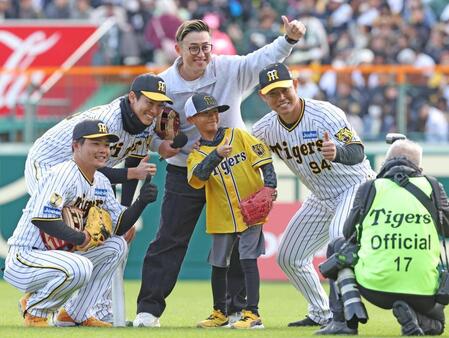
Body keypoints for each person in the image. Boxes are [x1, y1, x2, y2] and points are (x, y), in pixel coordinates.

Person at [133, 17, 306, 327]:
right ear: (177, 49)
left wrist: (288, 40)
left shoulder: (226, 68)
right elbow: (150, 127)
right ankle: (148, 310)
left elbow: (260, 60)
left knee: (239, 241)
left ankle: (238, 310)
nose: (201, 54)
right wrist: (161, 147)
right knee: (170, 239)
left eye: (206, 47)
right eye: (194, 48)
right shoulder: (165, 85)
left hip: (233, 169)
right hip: (185, 169)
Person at [24, 73, 171, 322]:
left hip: (87, 173)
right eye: (150, 102)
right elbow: (96, 165)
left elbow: (133, 161)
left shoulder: (145, 126)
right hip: (49, 163)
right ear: (132, 97)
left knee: (108, 236)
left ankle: (82, 311)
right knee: (68, 228)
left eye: (160, 105)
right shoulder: (108, 120)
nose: (155, 110)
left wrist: (123, 215)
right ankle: (37, 296)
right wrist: (132, 173)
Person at [251, 63, 376, 328]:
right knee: (288, 256)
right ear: (263, 97)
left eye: (284, 89)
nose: (281, 97)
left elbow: (358, 151)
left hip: (355, 186)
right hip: (321, 196)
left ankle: (343, 319)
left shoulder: (324, 114)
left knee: (338, 238)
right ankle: (322, 313)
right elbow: (253, 161)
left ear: (295, 85)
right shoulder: (264, 130)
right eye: (273, 93)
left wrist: (338, 152)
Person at [3, 120, 158, 327]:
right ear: (76, 146)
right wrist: (81, 237)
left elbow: (119, 226)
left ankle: (74, 314)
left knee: (116, 246)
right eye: (95, 144)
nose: (103, 150)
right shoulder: (63, 174)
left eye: (106, 145)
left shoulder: (101, 181)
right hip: (26, 258)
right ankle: (35, 308)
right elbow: (43, 218)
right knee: (80, 265)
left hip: (59, 259)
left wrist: (141, 203)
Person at [319, 139, 449, 335]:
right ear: (419, 166)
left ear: (386, 162)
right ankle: (414, 315)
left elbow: (348, 233)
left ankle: (345, 322)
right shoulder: (432, 185)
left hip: (376, 289)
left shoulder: (370, 187)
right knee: (437, 326)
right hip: (424, 290)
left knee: (339, 247)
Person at [185, 93, 276, 329]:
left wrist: (270, 185)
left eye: (215, 111)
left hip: (251, 210)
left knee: (248, 259)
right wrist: (216, 155)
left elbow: (264, 158)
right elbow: (198, 177)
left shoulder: (237, 135)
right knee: (218, 263)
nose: (213, 116)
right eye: (206, 113)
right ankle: (219, 313)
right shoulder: (195, 154)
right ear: (192, 119)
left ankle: (253, 314)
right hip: (222, 213)